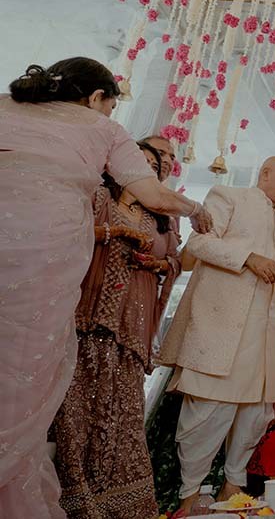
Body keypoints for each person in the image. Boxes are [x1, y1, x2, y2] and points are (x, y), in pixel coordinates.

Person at [0, 58, 211, 517]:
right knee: (25, 373)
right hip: (47, 254)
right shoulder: (101, 129)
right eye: (111, 106)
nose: (111, 115)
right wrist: (196, 210)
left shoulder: (3, 106)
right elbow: (155, 194)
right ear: (96, 97)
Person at [157, 157, 275, 512]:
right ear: (264, 173)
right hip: (224, 330)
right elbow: (199, 244)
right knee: (209, 411)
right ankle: (189, 496)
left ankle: (233, 490)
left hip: (265, 337)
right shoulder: (229, 197)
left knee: (254, 416)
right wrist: (249, 258)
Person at [50, 143, 181, 519]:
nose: (149, 169)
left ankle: (122, 502)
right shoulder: (98, 196)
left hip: (131, 326)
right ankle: (74, 496)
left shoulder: (162, 219)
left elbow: (174, 260)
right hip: (87, 318)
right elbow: (66, 233)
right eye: (142, 162)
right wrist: (114, 231)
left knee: (123, 412)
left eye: (155, 166)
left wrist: (158, 264)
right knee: (76, 407)